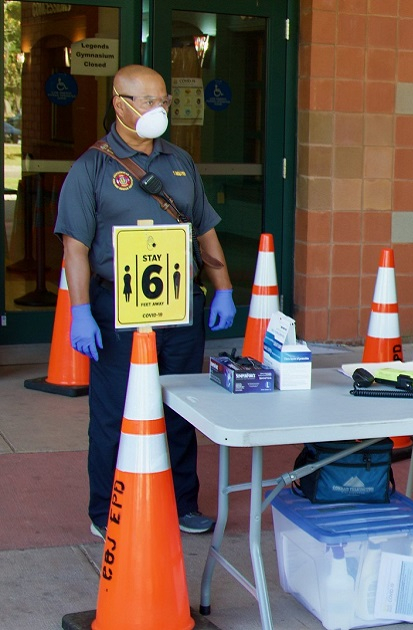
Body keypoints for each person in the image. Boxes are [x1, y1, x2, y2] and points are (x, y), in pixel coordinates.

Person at [55, 64, 236, 539]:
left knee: (178, 409)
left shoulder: (180, 161)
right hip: (116, 310)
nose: (158, 110)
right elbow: (75, 247)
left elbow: (205, 228)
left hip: (178, 309)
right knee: (115, 413)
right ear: (119, 104)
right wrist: (79, 313)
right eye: (148, 101)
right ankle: (105, 511)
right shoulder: (90, 167)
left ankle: (182, 505)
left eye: (164, 102)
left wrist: (224, 288)